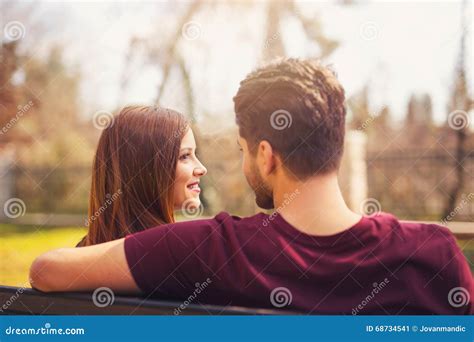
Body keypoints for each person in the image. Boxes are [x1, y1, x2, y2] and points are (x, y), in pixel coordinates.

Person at [29, 59, 472, 314]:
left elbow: (46, 270)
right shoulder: (432, 252)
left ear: (265, 155)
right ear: (337, 142)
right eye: (186, 156)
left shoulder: (206, 249)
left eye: (241, 149)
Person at [78, 105, 207, 246]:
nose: (202, 169)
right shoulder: (174, 252)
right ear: (145, 168)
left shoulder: (81, 255)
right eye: (184, 156)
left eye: (194, 154)